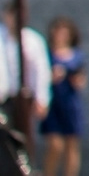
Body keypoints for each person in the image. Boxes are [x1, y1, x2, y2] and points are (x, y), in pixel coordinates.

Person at [0, 8, 49, 141]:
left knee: (22, 136)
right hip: (2, 96)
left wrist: (42, 98)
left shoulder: (32, 40)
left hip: (24, 97)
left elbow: (41, 70)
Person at [38, 21, 79, 176]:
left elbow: (81, 81)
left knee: (71, 144)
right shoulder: (46, 53)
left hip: (70, 102)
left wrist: (72, 77)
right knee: (55, 145)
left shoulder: (77, 55)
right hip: (52, 102)